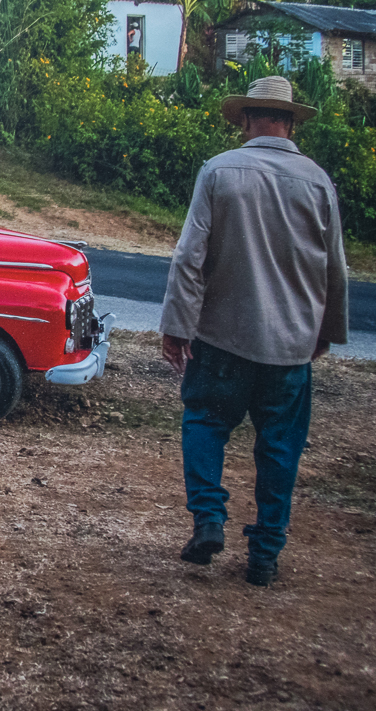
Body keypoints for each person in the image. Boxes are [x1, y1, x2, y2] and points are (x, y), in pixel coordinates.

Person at [159, 75, 348, 587]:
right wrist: (325, 331)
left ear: (246, 119)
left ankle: (208, 519)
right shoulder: (318, 182)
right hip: (289, 347)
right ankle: (264, 554)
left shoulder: (219, 171)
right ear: (289, 122)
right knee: (280, 448)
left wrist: (177, 325)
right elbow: (334, 269)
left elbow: (189, 257)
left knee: (204, 422)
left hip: (222, 338)